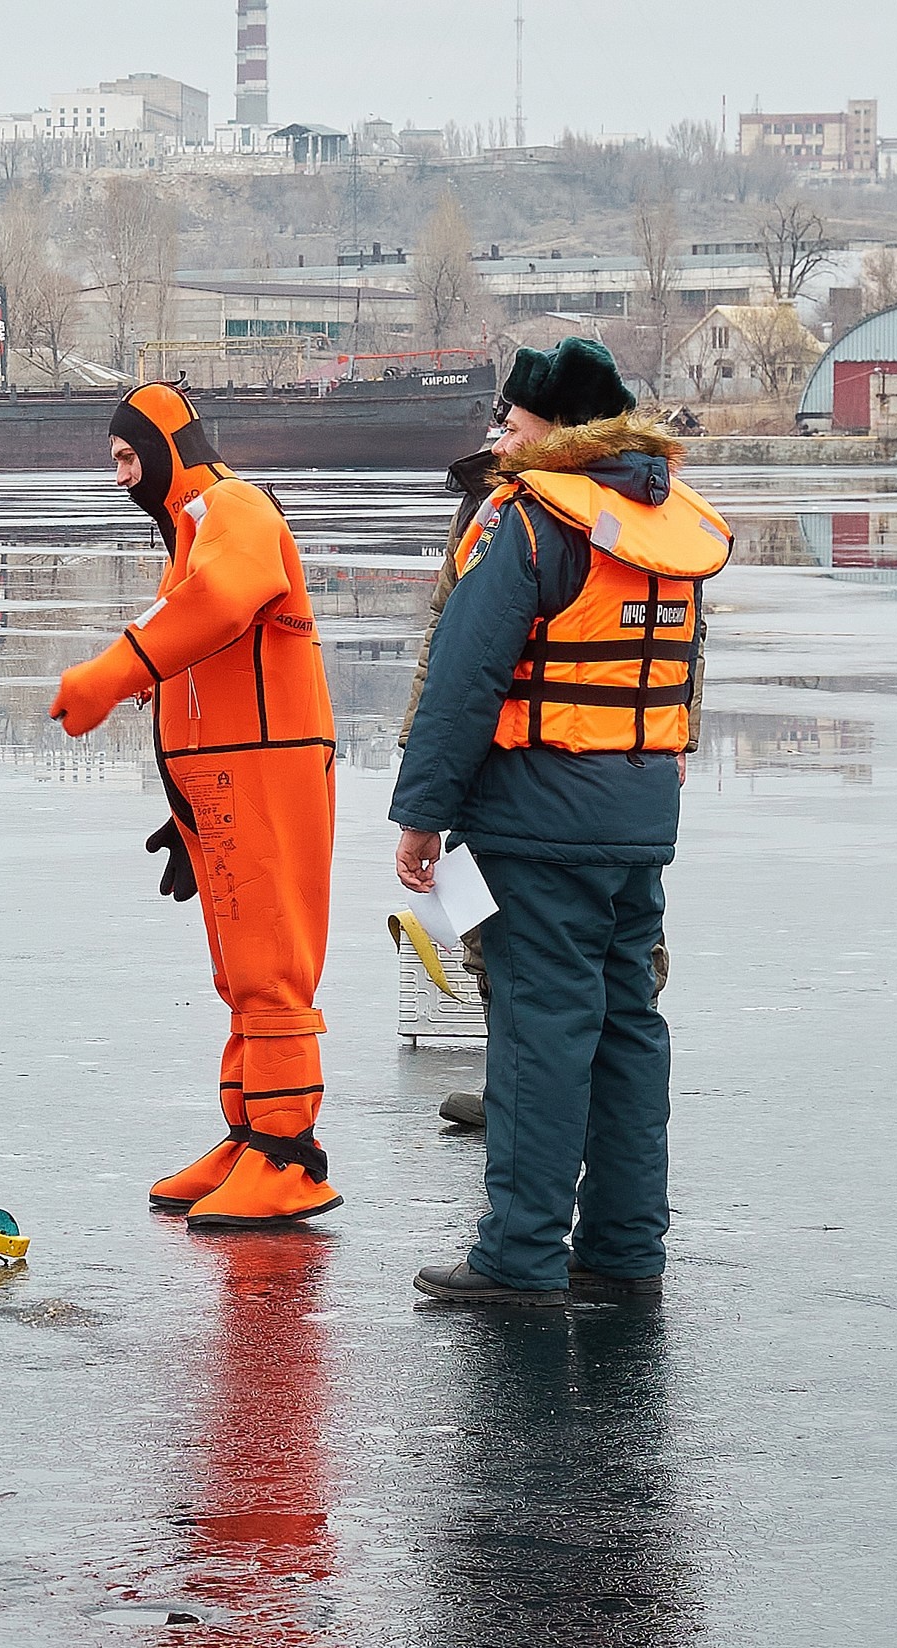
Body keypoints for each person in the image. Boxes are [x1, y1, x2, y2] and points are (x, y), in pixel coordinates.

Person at [391, 338, 729, 1306]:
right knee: (628, 1026)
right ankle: (624, 1248)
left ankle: (519, 1253)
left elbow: (463, 678)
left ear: (554, 426)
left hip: (536, 811)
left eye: (513, 419)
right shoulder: (665, 523)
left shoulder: (532, 522)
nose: (500, 433)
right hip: (638, 810)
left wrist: (421, 815)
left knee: (541, 1030)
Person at [50, 383, 340, 1229]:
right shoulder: (194, 530)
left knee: (271, 967)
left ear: (169, 446)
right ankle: (250, 1135)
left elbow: (219, 602)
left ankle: (289, 1154)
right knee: (239, 972)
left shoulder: (234, 510)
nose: (121, 477)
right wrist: (185, 814)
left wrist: (115, 671)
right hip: (221, 785)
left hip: (263, 775)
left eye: (128, 457)